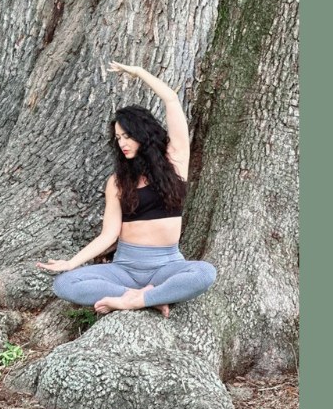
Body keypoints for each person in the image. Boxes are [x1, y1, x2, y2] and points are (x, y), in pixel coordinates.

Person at [38, 62, 216, 317]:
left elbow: (171, 100)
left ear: (143, 133)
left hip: (166, 264)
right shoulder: (117, 181)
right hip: (124, 268)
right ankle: (147, 297)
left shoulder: (175, 161)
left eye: (127, 136)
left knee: (205, 273)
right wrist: (71, 262)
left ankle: (137, 300)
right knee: (65, 284)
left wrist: (139, 73)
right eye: (118, 138)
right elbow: (108, 235)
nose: (122, 143)